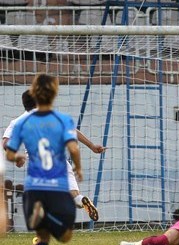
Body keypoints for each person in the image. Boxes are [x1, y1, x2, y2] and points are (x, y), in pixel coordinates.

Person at [5, 74, 83, 245]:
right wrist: (78, 166)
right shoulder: (61, 120)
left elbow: (9, 151)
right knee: (66, 235)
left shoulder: (22, 122)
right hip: (56, 185)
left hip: (33, 187)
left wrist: (18, 157)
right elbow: (73, 147)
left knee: (42, 236)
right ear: (53, 94)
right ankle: (48, 215)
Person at [3, 90, 104, 221]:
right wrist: (92, 146)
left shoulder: (17, 122)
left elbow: (6, 143)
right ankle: (80, 200)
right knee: (74, 195)